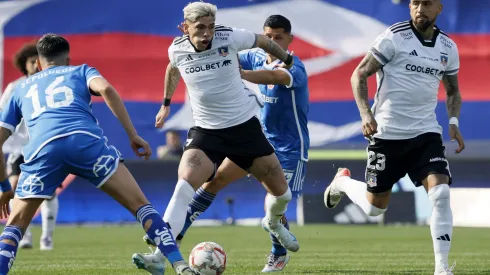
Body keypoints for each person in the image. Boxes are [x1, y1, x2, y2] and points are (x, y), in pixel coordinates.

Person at [0, 34, 197, 275]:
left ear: (39, 64)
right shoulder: (80, 71)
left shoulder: (20, 88)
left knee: (15, 225)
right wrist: (132, 134)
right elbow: (105, 88)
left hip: (44, 149)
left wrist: (3, 186)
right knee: (141, 206)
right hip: (86, 143)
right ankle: (181, 266)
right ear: (68, 59)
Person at [131, 2, 300, 274]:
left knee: (283, 195)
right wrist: (165, 103)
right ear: (184, 28)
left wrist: (287, 58)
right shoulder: (177, 48)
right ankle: (159, 258)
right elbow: (173, 68)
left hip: (245, 129)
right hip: (207, 132)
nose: (207, 33)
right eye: (200, 28)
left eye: (210, 26)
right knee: (184, 186)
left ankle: (274, 222)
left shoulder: (229, 36)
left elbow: (262, 42)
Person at [323, 1, 463, 275]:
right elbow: (359, 74)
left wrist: (454, 122)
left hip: (426, 134)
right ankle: (342, 182)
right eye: (415, 3)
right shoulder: (394, 37)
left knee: (441, 193)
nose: (420, 8)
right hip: (387, 135)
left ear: (439, 8)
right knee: (375, 210)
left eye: (426, 3)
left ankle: (442, 269)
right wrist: (365, 115)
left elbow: (453, 91)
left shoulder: (448, 47)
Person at [0, 42, 59, 251]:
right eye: (32, 61)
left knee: (48, 192)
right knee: (16, 187)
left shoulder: (51, 85)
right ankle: (24, 235)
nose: (36, 64)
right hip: (19, 148)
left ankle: (47, 237)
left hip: (44, 144)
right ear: (23, 64)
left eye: (39, 60)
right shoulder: (15, 88)